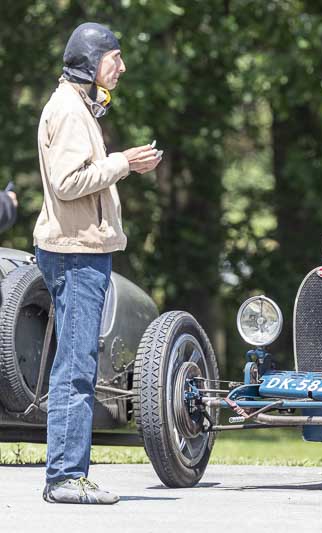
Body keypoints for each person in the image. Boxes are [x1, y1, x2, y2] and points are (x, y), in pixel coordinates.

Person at [35, 22, 161, 505]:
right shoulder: (67, 109)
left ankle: (67, 474)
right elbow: (68, 182)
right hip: (75, 254)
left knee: (77, 361)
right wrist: (123, 162)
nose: (122, 67)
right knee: (76, 366)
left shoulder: (77, 105)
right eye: (115, 57)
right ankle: (66, 477)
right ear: (91, 62)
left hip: (79, 250)